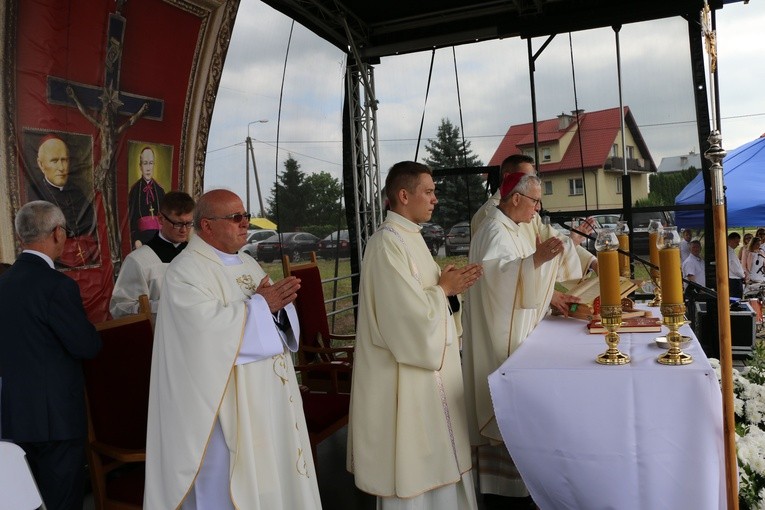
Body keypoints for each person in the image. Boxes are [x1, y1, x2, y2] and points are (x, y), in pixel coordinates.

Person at [144, 189, 320, 510]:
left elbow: (267, 315)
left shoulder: (248, 263)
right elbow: (202, 338)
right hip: (221, 407)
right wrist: (261, 306)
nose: (245, 224)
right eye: (236, 217)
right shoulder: (185, 272)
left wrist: (278, 307)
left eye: (246, 216)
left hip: (263, 398)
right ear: (207, 226)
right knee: (226, 491)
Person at [347, 161, 483, 509]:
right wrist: (443, 290)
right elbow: (402, 321)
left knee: (441, 457)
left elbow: (429, 299)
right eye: (429, 191)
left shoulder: (413, 239)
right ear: (403, 195)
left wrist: (449, 289)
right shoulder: (385, 245)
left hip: (431, 378)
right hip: (405, 379)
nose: (435, 199)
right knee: (415, 467)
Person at [462, 172, 576, 502]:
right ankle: (506, 491)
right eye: (535, 201)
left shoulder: (514, 227)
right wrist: (536, 260)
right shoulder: (494, 229)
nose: (537, 209)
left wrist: (540, 269)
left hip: (514, 328)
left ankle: (522, 480)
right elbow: (497, 279)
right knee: (505, 409)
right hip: (497, 333)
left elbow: (522, 274)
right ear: (515, 198)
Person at [0, 201, 101, 510]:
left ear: (21, 237)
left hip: (12, 414)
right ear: (58, 233)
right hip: (55, 419)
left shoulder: (3, 283)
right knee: (62, 503)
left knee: (23, 502)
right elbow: (87, 346)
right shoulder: (56, 286)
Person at [472, 156, 594, 317]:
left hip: (527, 308)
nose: (538, 208)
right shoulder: (492, 218)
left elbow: (552, 242)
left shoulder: (521, 213)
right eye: (527, 178)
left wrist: (593, 261)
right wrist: (549, 293)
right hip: (502, 317)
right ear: (509, 178)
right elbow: (497, 276)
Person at [110, 191, 195, 318]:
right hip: (158, 335)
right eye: (177, 224)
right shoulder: (138, 260)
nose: (184, 230)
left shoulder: (196, 255)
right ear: (160, 219)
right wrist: (166, 305)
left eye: (189, 223)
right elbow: (120, 308)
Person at [28, 135, 98, 267]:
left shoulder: (78, 192)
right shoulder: (33, 195)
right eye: (54, 161)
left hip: (85, 259)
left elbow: (92, 228)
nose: (61, 167)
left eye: (64, 160)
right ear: (41, 164)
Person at [128, 146, 166, 248]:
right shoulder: (134, 190)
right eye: (145, 163)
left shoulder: (160, 190)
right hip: (141, 241)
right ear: (140, 166)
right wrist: (136, 240)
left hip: (160, 239)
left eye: (150, 163)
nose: (148, 168)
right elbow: (131, 220)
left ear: (154, 164)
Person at [728, 232, 745, 299]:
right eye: (736, 242)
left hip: (736, 279)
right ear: (730, 240)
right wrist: (743, 275)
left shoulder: (731, 251)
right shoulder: (728, 252)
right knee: (736, 300)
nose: (738, 244)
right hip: (734, 280)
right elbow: (735, 268)